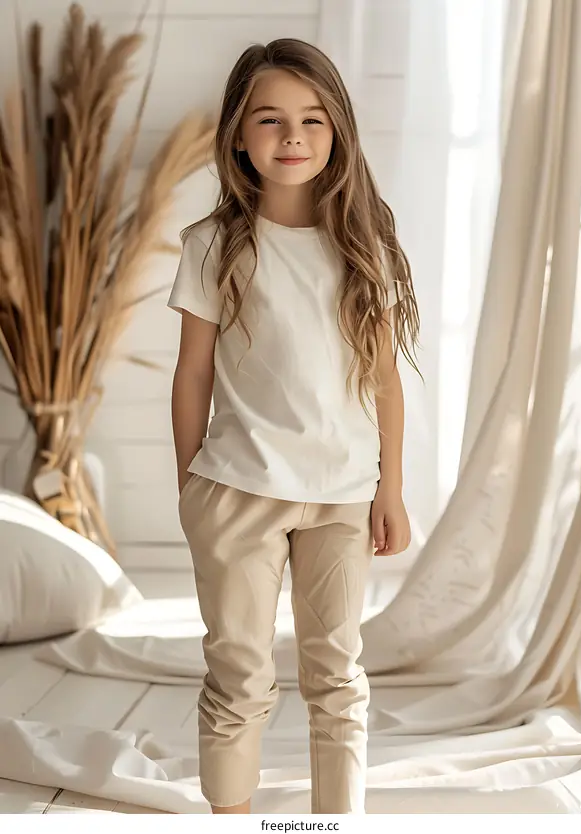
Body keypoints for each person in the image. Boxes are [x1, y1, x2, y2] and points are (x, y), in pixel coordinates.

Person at [167, 37, 421, 816]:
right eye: (269, 119)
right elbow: (194, 374)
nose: (292, 137)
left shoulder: (363, 244)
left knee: (338, 677)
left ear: (337, 131)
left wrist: (392, 490)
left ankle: (332, 826)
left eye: (313, 120)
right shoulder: (214, 245)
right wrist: (190, 487)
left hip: (343, 497)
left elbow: (382, 380)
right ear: (239, 135)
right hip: (236, 490)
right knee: (240, 675)